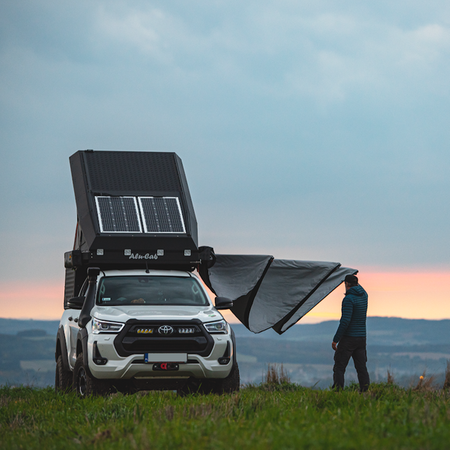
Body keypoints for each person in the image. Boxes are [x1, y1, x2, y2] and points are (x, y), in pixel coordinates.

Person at [332, 274, 370, 392]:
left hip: (349, 339)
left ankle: (338, 392)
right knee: (361, 367)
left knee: (339, 366)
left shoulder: (348, 299)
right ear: (357, 283)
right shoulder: (364, 295)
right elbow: (359, 287)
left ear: (346, 284)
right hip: (361, 338)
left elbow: (345, 321)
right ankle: (364, 392)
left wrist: (335, 340)